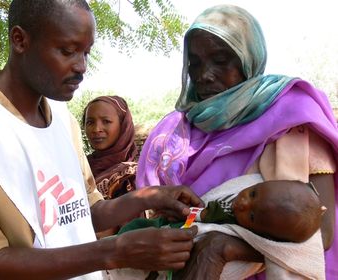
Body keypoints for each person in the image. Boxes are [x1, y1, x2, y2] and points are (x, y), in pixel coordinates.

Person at [0, 1, 203, 279]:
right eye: (67, 51)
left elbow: (81, 212)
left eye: (86, 53)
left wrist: (149, 197)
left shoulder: (61, 118)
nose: (82, 67)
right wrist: (114, 251)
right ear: (20, 40)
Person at [136, 4, 338, 279]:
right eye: (195, 62)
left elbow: (321, 232)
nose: (203, 75)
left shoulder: (293, 116)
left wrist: (225, 248)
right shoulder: (175, 128)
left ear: (248, 59)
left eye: (220, 60)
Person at [122, 178, 325, 243]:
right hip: (179, 223)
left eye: (252, 216)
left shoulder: (236, 230)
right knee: (136, 227)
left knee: (142, 233)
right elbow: (201, 212)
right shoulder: (233, 199)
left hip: (177, 234)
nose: (243, 204)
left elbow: (204, 218)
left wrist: (189, 218)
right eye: (253, 194)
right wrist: (187, 213)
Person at [83, 96, 140, 238]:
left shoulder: (130, 176)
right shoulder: (80, 166)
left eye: (106, 121)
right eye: (90, 122)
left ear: (123, 126)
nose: (96, 129)